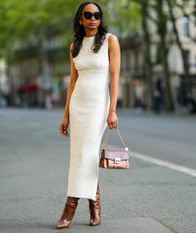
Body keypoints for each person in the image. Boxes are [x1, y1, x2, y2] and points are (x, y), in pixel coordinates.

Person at [57, 1, 120, 229]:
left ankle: (70, 206)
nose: (93, 18)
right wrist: (66, 116)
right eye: (88, 14)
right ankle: (95, 208)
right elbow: (72, 82)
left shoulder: (111, 41)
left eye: (97, 14)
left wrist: (112, 110)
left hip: (98, 106)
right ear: (80, 19)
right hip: (78, 105)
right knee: (82, 156)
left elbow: (115, 78)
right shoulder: (74, 46)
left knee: (86, 155)